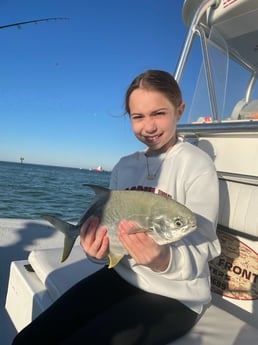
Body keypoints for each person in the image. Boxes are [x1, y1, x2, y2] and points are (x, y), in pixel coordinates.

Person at [12, 70, 221, 345]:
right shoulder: (124, 166)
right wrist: (95, 252)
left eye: (158, 113)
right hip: (121, 277)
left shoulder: (196, 164)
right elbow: (110, 238)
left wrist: (163, 260)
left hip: (178, 296)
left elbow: (204, 242)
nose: (149, 126)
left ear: (179, 111)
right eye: (138, 117)